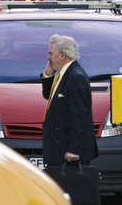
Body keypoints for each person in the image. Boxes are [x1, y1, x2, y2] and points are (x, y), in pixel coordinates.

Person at [40, 34, 98, 168]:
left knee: (71, 188)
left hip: (69, 152)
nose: (48, 57)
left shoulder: (75, 77)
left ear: (62, 55)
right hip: (59, 148)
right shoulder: (62, 74)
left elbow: (79, 117)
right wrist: (48, 75)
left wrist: (74, 149)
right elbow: (49, 95)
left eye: (50, 53)